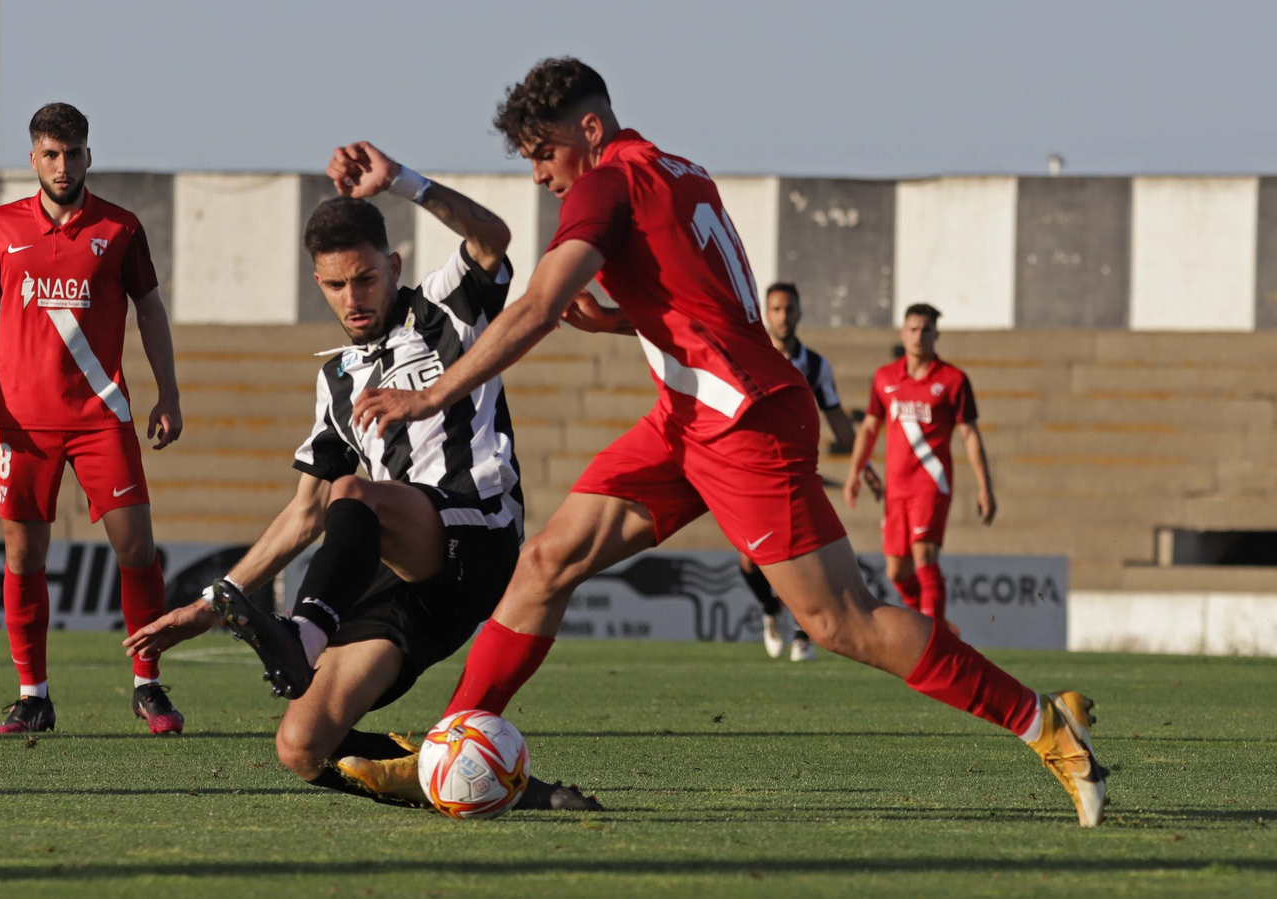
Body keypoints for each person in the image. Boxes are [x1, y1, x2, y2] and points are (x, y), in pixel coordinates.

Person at [343, 58, 1107, 826]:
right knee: (547, 561)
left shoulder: (607, 183)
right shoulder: (678, 170)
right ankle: (450, 745)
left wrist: (432, 393)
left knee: (842, 620)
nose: (541, 175)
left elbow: (539, 303)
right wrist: (623, 319)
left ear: (590, 130)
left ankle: (1045, 723)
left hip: (742, 423)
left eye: (544, 154)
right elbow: (703, 293)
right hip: (690, 416)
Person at [122, 143, 596, 811]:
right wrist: (210, 604)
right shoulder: (336, 379)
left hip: (476, 534)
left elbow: (493, 236)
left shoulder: (444, 305)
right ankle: (496, 784)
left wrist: (402, 181)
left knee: (356, 492)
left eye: (366, 279)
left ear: (392, 266)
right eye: (337, 285)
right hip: (403, 583)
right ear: (318, 283)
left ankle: (303, 634)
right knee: (302, 744)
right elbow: (305, 510)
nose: (354, 297)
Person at [0, 103, 185, 735]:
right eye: (50, 154)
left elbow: (151, 313)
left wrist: (169, 393)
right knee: (24, 555)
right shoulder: (1, 226)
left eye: (73, 153)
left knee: (136, 548)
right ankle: (33, 696)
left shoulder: (121, 228)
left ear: (89, 155)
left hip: (100, 417)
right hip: (23, 423)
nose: (62, 165)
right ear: (33, 158)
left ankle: (148, 686)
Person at [844, 304, 995, 630]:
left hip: (931, 483)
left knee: (925, 556)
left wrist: (985, 487)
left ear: (936, 334)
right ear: (902, 333)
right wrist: (855, 473)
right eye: (913, 329)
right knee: (896, 571)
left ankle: (934, 639)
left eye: (926, 330)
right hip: (896, 488)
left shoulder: (953, 380)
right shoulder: (885, 378)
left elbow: (969, 434)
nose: (918, 336)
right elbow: (870, 427)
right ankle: (935, 626)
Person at [743, 282, 858, 661]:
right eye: (776, 309)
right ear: (766, 313)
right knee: (750, 559)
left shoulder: (815, 364)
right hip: (757, 469)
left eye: (788, 309)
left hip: (799, 470)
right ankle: (769, 609)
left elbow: (836, 415)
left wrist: (863, 463)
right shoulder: (751, 356)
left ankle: (801, 634)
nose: (783, 316)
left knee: (803, 555)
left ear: (798, 313)